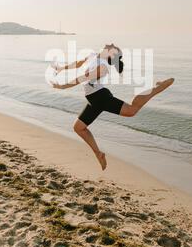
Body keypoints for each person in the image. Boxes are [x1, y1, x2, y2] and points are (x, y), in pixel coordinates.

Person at [51, 43, 174, 171]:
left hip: (101, 98)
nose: (111, 44)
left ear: (111, 53)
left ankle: (157, 88)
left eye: (113, 46)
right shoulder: (92, 55)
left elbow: (81, 79)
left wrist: (61, 86)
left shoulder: (103, 67)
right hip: (93, 100)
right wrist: (61, 68)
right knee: (79, 128)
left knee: (132, 110)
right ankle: (98, 154)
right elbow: (77, 63)